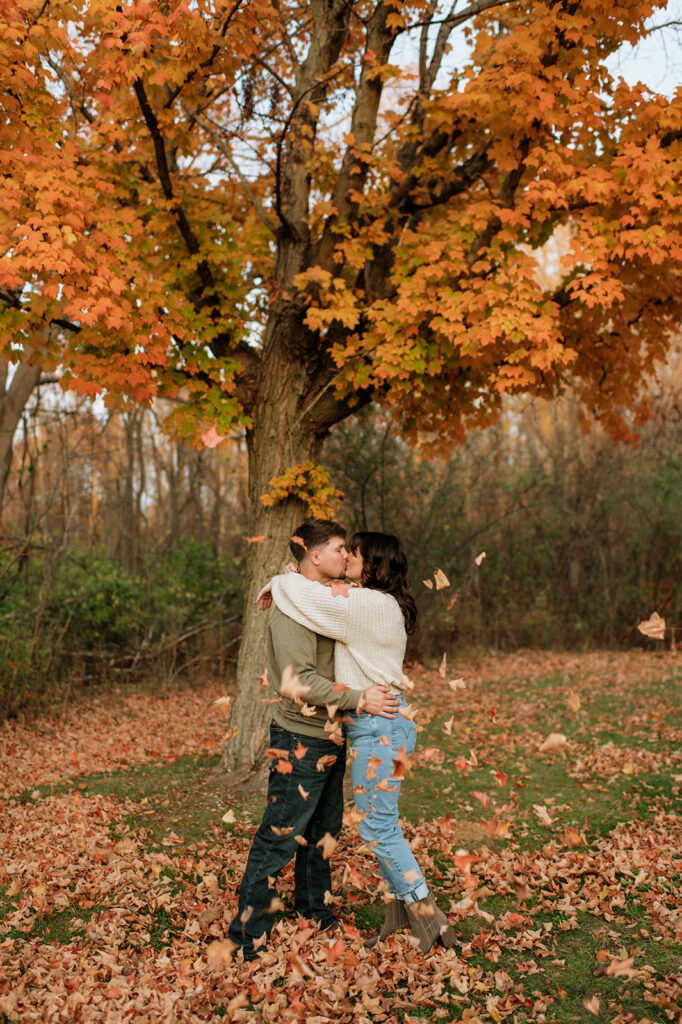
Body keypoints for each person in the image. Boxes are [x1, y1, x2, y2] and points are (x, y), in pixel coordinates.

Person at [264, 531, 457, 954]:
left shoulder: (366, 604)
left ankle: (432, 923)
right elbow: (320, 593)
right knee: (380, 825)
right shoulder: (372, 600)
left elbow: (310, 600)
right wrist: (293, 574)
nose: (347, 556)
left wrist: (280, 581)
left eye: (354, 552)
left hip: (378, 726)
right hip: (383, 724)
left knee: (378, 827)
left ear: (372, 563)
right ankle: (398, 921)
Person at [226, 519, 400, 961]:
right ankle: (247, 936)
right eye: (341, 549)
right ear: (315, 555)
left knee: (322, 833)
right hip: (300, 738)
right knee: (281, 835)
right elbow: (295, 680)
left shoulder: (324, 598)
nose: (348, 556)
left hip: (333, 734)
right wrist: (361, 698)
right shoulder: (292, 606)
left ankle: (314, 915)